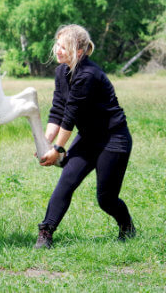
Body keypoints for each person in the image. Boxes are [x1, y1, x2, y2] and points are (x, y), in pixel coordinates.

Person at [35, 24, 135, 249]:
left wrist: (58, 150)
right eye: (57, 45)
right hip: (89, 138)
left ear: (79, 52)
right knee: (66, 182)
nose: (58, 50)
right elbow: (58, 109)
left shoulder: (88, 74)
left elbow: (70, 116)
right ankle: (46, 231)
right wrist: (45, 143)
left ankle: (127, 226)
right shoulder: (62, 72)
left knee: (106, 199)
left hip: (113, 139)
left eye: (64, 47)